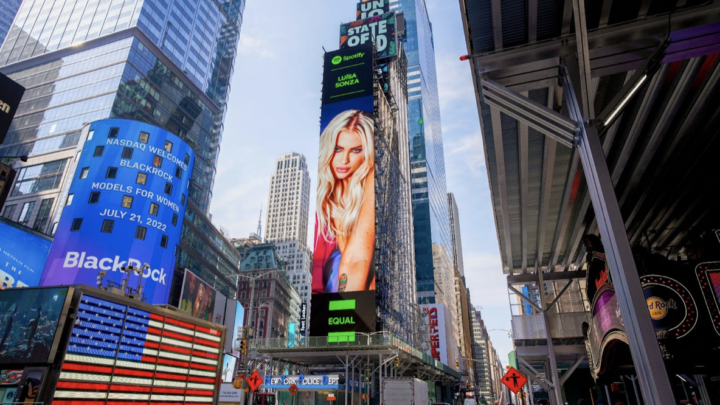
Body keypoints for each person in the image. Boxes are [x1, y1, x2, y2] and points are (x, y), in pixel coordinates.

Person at [313, 110, 376, 293]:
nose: (344, 160)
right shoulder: (322, 194)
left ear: (368, 153)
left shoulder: (370, 182)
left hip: (348, 291)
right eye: (338, 149)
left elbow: (357, 260)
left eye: (356, 150)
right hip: (325, 298)